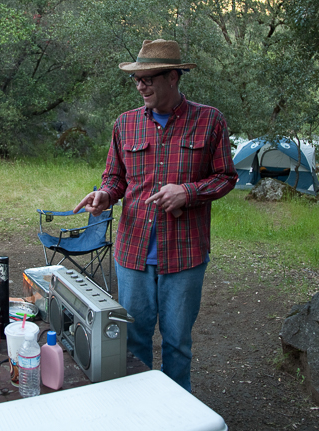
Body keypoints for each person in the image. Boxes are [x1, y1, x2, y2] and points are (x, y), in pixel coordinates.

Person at [73, 39, 237, 391]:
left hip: (185, 253)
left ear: (174, 77)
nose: (141, 86)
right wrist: (104, 195)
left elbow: (226, 178)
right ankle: (140, 412)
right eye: (137, 79)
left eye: (148, 78)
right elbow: (115, 178)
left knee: (178, 344)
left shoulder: (209, 121)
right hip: (132, 253)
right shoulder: (125, 124)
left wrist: (188, 192)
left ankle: (178, 417)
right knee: (134, 341)